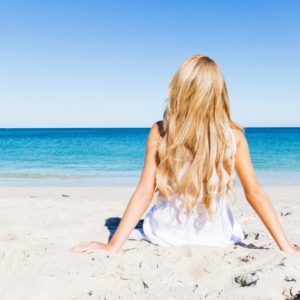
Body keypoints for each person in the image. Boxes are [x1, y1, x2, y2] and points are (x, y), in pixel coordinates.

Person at [71, 54, 299, 254]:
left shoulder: (160, 132)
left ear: (179, 90)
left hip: (166, 233)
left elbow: (144, 193)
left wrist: (112, 247)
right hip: (217, 237)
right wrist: (286, 247)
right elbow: (255, 193)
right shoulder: (234, 136)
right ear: (218, 94)